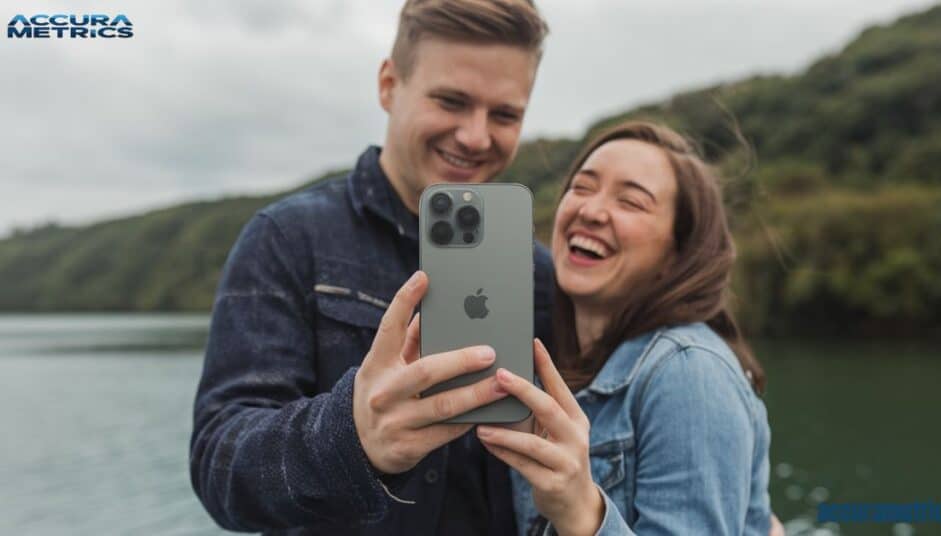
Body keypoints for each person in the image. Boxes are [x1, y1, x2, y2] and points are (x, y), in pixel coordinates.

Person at [188, 1, 551, 534]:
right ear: (388, 84)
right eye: (451, 101)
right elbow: (219, 463)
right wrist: (352, 436)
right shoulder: (287, 238)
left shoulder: (538, 272)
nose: (476, 136)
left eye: (505, 115)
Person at [471, 121, 775, 535]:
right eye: (581, 187)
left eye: (631, 201)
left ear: (679, 253)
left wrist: (581, 513)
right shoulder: (555, 369)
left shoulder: (687, 372)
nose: (591, 211)